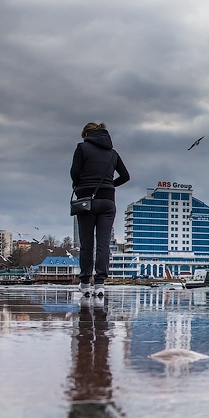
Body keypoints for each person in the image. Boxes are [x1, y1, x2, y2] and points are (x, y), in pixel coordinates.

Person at [70, 122, 130, 297]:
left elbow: (74, 173)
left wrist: (81, 185)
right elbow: (126, 176)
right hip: (107, 202)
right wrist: (110, 185)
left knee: (86, 244)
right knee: (103, 244)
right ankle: (100, 284)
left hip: (86, 201)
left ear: (86, 134)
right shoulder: (113, 153)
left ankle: (84, 283)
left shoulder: (82, 148)